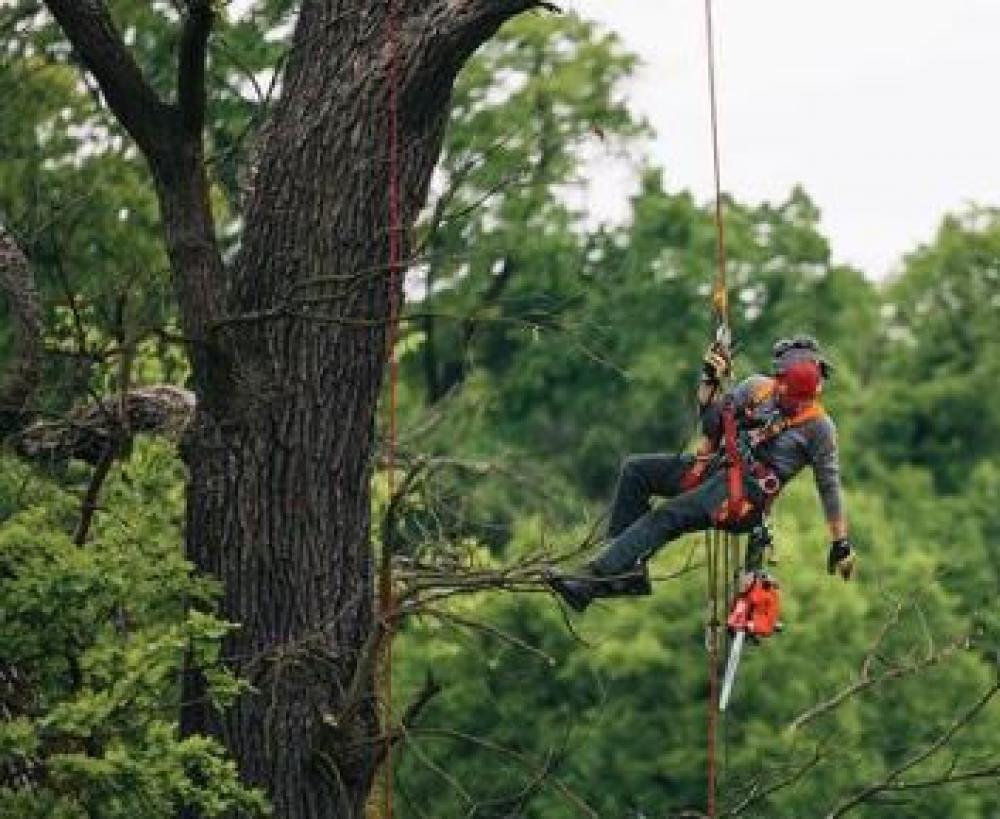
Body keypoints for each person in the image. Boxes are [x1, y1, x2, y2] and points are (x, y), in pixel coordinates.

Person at [546, 334, 855, 612]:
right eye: (788, 394)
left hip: (746, 495)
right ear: (779, 378)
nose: (793, 403)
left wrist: (840, 543)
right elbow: (711, 423)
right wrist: (709, 381)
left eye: (804, 397)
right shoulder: (756, 389)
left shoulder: (820, 428)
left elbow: (828, 486)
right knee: (636, 470)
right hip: (718, 468)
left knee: (667, 516)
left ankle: (590, 581)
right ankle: (624, 570)